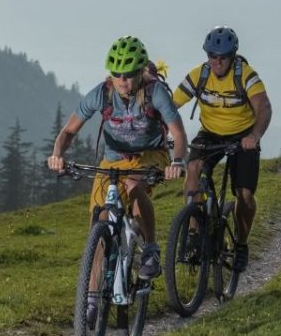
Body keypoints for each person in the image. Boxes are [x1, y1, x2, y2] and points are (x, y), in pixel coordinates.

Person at [47, 36, 188, 285]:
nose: (123, 80)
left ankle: (151, 249)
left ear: (140, 71)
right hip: (113, 159)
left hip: (150, 155)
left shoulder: (155, 93)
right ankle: (89, 301)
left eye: (130, 74)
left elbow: (178, 134)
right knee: (100, 224)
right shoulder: (102, 94)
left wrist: (177, 162)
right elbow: (68, 132)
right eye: (117, 74)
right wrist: (58, 154)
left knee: (134, 186)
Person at [172, 26, 272, 272]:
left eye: (223, 57)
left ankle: (241, 244)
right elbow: (171, 105)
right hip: (210, 133)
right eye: (212, 56)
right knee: (193, 169)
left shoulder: (246, 76)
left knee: (245, 195)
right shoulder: (199, 75)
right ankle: (194, 232)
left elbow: (264, 108)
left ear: (233, 56)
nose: (217, 61)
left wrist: (255, 135)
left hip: (243, 136)